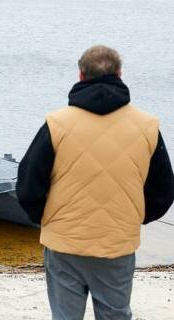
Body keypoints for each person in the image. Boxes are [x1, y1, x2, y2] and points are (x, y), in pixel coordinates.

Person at [16, 45, 174, 319]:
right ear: (120, 74)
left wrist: (48, 220)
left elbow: (28, 185)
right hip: (117, 243)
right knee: (116, 315)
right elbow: (164, 191)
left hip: (64, 242)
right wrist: (134, 218)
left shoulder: (57, 124)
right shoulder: (147, 126)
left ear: (80, 76)